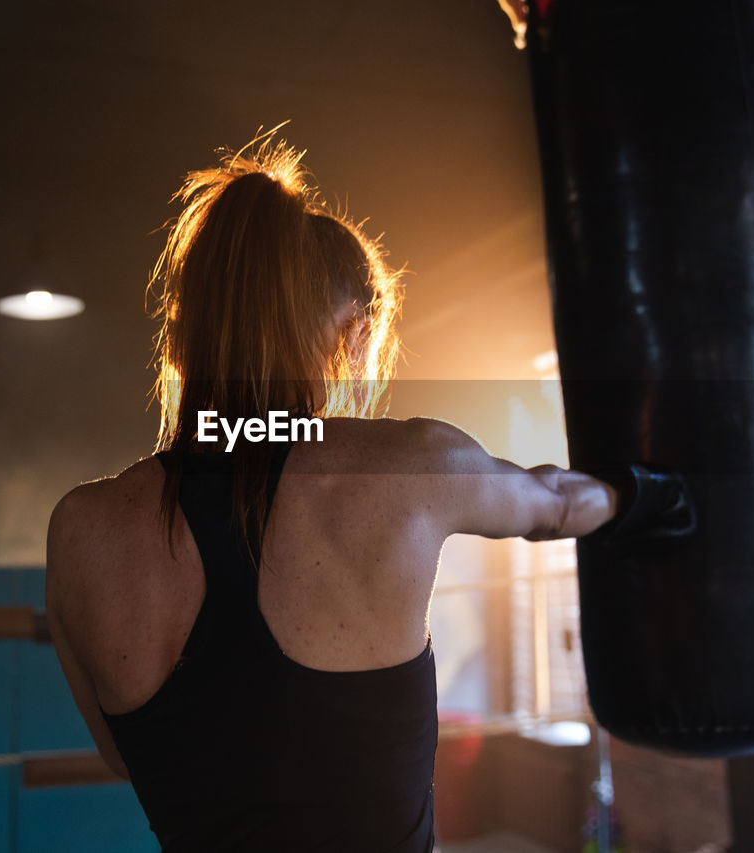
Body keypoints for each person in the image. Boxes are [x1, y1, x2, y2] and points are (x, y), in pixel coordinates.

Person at [45, 132, 623, 852]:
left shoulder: (78, 531)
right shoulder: (409, 465)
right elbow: (563, 503)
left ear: (180, 337)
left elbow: (126, 757)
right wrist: (641, 493)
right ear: (355, 335)